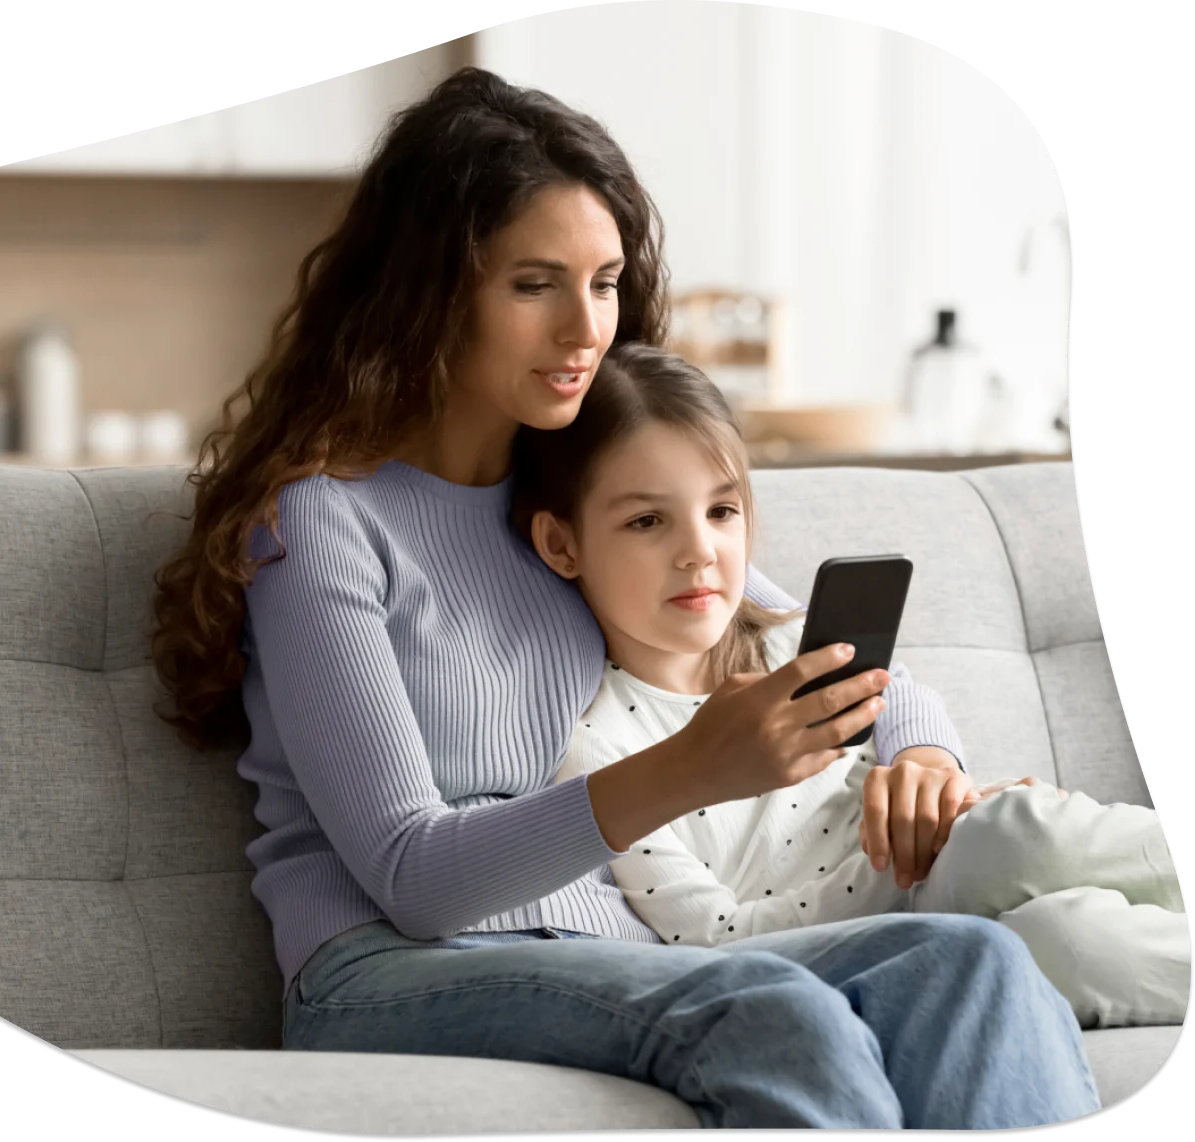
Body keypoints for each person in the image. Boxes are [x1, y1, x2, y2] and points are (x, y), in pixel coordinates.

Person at [149, 67, 1102, 1130]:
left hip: (607, 953)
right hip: (383, 965)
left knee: (972, 959)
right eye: (533, 283)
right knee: (771, 1005)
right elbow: (413, 878)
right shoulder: (322, 521)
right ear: (426, 289)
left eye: (603, 282)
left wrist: (921, 757)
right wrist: (693, 765)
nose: (583, 327)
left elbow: (832, 661)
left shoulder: (576, 504)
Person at [521, 342, 1190, 1031]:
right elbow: (714, 940)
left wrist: (943, 794)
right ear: (561, 544)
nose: (700, 551)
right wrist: (907, 869)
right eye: (646, 521)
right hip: (881, 936)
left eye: (721, 511)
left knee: (1037, 872)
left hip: (955, 871)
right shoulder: (602, 753)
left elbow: (912, 735)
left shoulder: (797, 648)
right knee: (1057, 942)